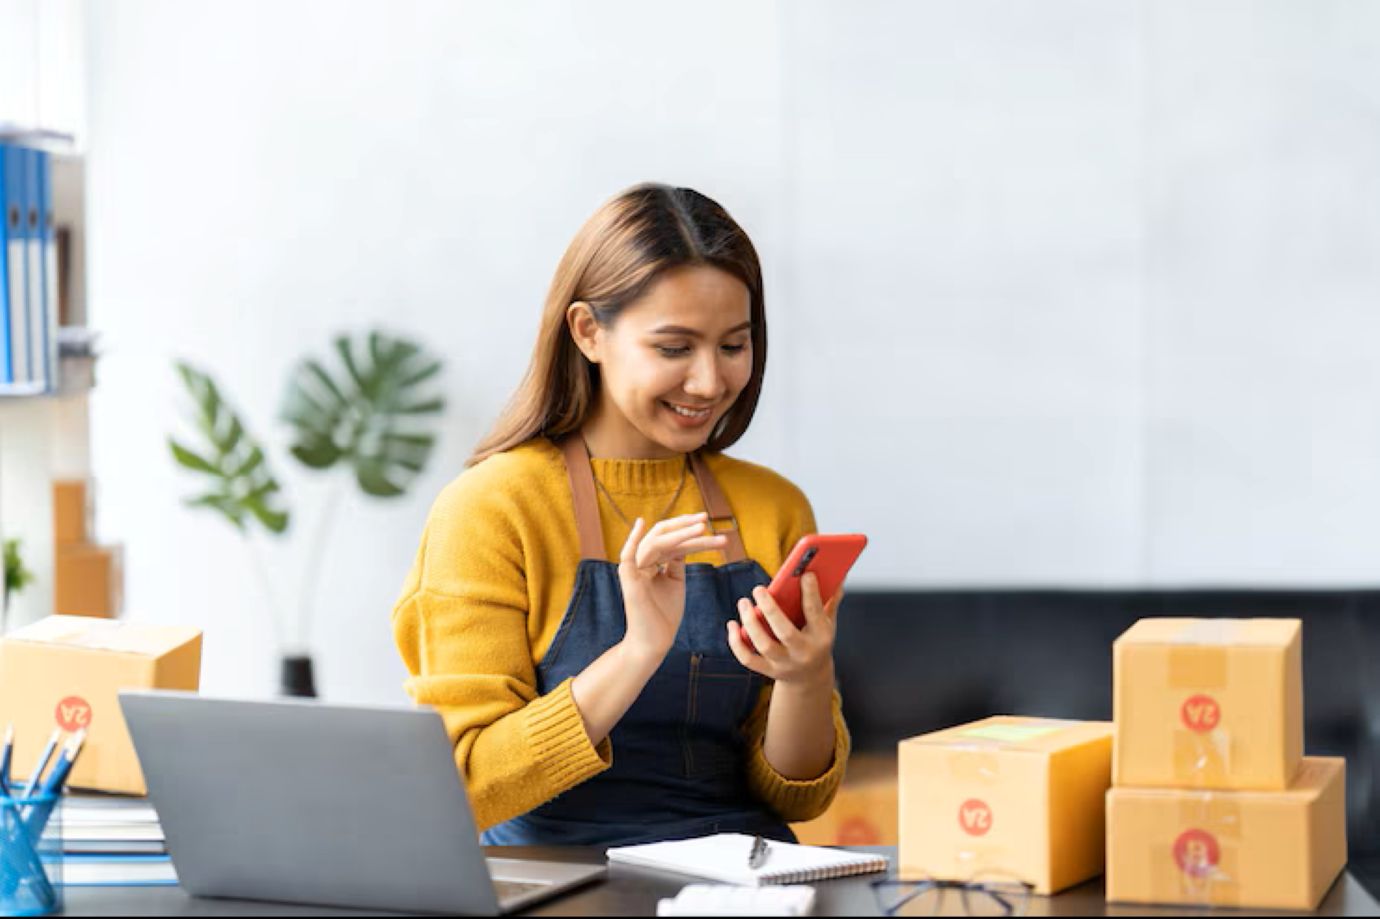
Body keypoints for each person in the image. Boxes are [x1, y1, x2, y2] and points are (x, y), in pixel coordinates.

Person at [392, 183, 849, 847]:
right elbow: (464, 786)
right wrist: (636, 652)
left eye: (732, 346)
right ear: (588, 332)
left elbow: (796, 795)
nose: (709, 382)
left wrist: (805, 678)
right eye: (674, 348)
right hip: (555, 877)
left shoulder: (774, 507)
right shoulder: (492, 508)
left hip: (738, 878)